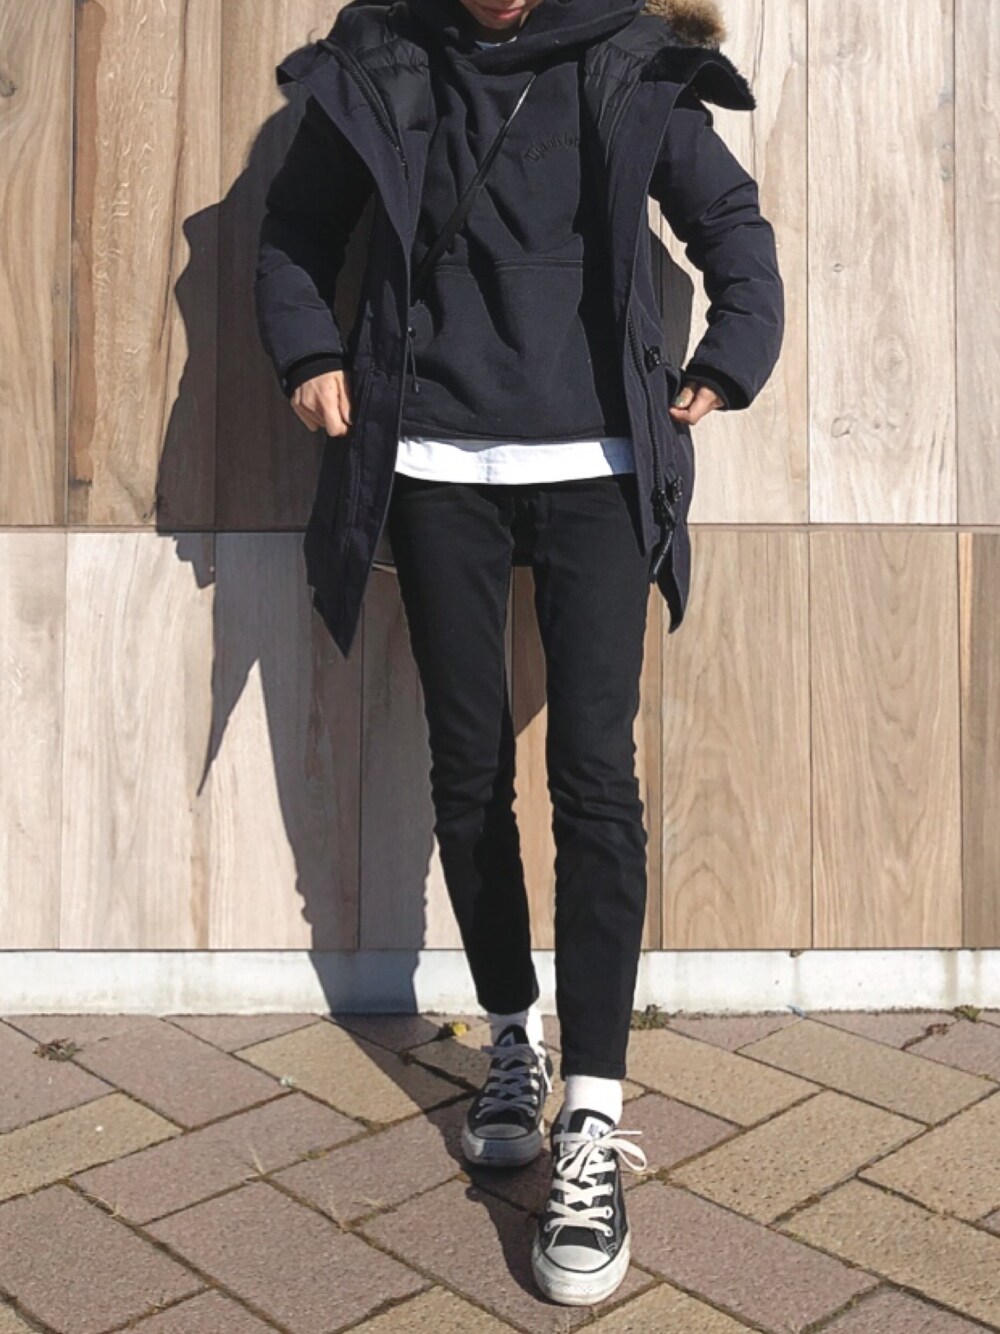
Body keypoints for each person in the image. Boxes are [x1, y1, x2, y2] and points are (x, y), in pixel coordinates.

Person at [255, 0, 783, 1305]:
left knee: (595, 777)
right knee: (468, 769)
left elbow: (731, 225)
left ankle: (591, 1113)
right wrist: (308, 347)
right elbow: (293, 234)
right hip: (435, 463)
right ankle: (510, 1039)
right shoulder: (383, 56)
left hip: (599, 465)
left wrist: (734, 352)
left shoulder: (628, 56)